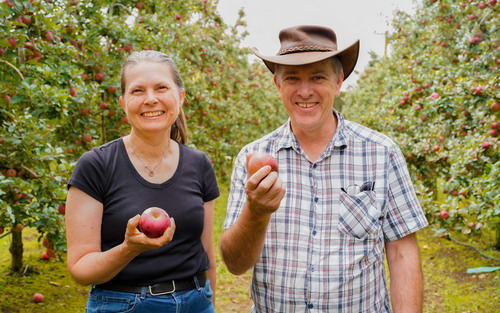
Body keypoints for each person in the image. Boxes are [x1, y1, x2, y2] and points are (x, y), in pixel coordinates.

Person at [220, 25, 428, 313]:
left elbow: (402, 252)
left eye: (318, 77)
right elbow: (235, 264)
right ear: (277, 85)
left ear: (339, 81)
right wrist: (256, 212)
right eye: (292, 78)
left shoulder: (380, 153)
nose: (305, 91)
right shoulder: (253, 158)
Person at [65, 50, 219, 313]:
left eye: (161, 87)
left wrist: (210, 303)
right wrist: (129, 248)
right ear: (123, 102)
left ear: (180, 97)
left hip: (195, 302)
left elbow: (206, 253)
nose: (151, 99)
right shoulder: (96, 165)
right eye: (138, 91)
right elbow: (81, 270)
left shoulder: (199, 164)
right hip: (121, 305)